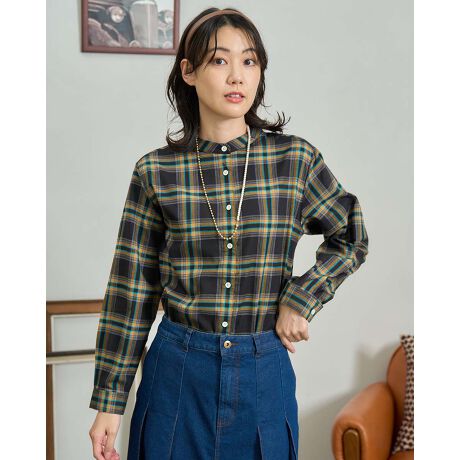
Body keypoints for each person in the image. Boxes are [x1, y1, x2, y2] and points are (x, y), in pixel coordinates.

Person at [88, 7, 369, 460]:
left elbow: (351, 235)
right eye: (220, 60)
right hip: (176, 375)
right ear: (189, 71)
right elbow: (130, 289)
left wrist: (302, 297)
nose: (237, 75)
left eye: (249, 61)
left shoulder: (295, 161)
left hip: (263, 374)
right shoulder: (155, 171)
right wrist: (109, 401)